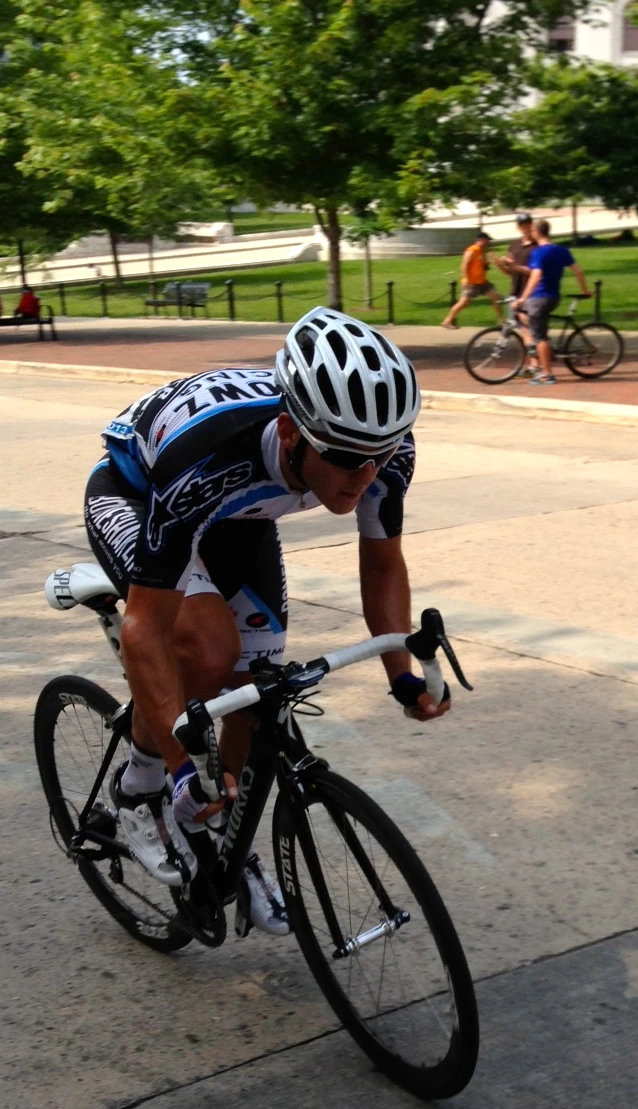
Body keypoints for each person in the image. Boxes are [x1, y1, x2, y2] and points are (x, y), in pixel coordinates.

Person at [83, 306, 450, 937]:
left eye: (378, 457)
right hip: (143, 494)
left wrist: (401, 676)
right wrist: (176, 770)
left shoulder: (380, 450)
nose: (363, 477)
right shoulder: (211, 454)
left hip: (239, 516)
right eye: (342, 457)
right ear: (289, 432)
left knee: (260, 689)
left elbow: (383, 564)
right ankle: (137, 789)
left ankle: (227, 839)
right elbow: (145, 626)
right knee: (205, 649)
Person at [512, 219, 591, 385]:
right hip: (553, 297)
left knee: (540, 337)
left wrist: (523, 297)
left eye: (532, 230)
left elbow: (535, 276)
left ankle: (547, 374)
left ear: (537, 232)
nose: (531, 233)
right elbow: (578, 270)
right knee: (520, 314)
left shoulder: (539, 252)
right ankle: (540, 349)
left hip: (539, 297)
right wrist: (585, 290)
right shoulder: (561, 250)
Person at [500, 214, 539, 375]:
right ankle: (533, 364)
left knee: (528, 330)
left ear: (531, 224)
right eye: (521, 224)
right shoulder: (515, 245)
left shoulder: (537, 246)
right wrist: (501, 264)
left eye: (527, 223)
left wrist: (515, 266)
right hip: (516, 292)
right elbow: (509, 272)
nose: (524, 227)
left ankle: (535, 365)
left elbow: (535, 272)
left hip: (531, 292)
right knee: (526, 331)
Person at [441, 232, 505, 329]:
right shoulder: (472, 250)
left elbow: (483, 266)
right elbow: (464, 265)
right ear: (480, 240)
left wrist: (488, 263)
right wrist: (465, 278)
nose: (488, 242)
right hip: (472, 283)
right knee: (463, 303)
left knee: (496, 297)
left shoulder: (482, 251)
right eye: (487, 240)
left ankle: (501, 321)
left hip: (482, 282)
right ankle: (447, 321)